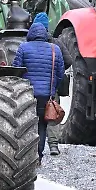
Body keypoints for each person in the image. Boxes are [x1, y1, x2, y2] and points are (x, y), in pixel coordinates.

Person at [12, 21, 64, 165]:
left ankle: (23, 157)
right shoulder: (55, 50)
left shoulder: (23, 47)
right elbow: (60, 74)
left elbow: (16, 71)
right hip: (46, 96)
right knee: (42, 125)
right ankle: (38, 157)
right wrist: (52, 90)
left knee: (25, 126)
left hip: (26, 95)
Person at [32, 12, 62, 156]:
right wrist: (54, 83)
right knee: (50, 117)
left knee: (33, 121)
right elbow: (63, 66)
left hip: (29, 92)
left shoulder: (25, 46)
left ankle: (30, 150)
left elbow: (17, 68)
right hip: (49, 90)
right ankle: (53, 145)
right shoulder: (55, 45)